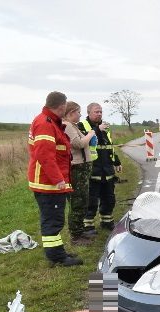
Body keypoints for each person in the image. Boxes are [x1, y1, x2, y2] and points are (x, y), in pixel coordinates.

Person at [27, 91, 82, 267]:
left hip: (49, 181)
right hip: (48, 183)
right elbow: (45, 156)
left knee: (54, 219)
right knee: (53, 221)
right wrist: (58, 180)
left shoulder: (49, 122)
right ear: (62, 106)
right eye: (66, 105)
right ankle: (57, 257)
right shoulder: (45, 123)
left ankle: (58, 252)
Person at [79, 102, 121, 231]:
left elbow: (109, 146)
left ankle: (106, 222)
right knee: (91, 200)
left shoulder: (105, 127)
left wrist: (117, 162)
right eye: (96, 112)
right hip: (92, 170)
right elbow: (84, 142)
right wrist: (98, 130)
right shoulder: (81, 125)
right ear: (88, 113)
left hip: (107, 169)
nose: (99, 114)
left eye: (100, 112)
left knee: (109, 198)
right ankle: (88, 226)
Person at [62, 101, 96, 245]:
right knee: (78, 201)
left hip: (82, 167)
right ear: (70, 113)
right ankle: (76, 236)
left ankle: (80, 230)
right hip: (77, 168)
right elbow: (78, 144)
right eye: (78, 112)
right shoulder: (68, 126)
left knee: (83, 200)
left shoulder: (73, 125)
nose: (80, 115)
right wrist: (90, 134)